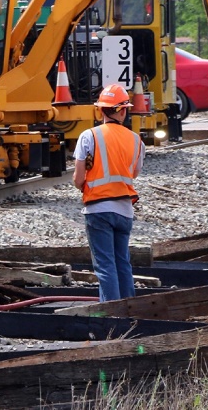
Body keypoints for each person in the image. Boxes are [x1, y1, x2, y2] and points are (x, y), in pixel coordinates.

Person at [72, 83, 144, 302]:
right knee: (123, 263)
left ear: (100, 110)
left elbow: (78, 179)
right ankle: (130, 312)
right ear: (122, 110)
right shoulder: (136, 140)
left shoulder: (89, 136)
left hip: (98, 209)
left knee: (105, 267)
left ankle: (112, 318)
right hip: (124, 211)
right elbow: (134, 173)